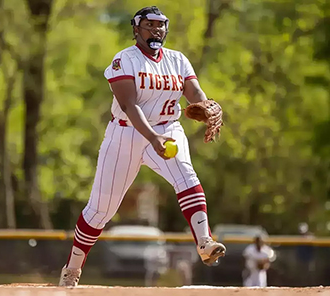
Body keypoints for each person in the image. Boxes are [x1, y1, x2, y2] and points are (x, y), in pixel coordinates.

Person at [59, 6, 226, 286]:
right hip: (125, 133)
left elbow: (194, 93)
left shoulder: (177, 59)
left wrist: (208, 105)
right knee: (100, 211)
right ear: (136, 29)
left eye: (160, 25)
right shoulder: (124, 60)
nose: (156, 30)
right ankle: (72, 269)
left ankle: (205, 242)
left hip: (168, 127)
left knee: (187, 177)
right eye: (149, 25)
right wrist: (152, 138)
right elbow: (129, 105)